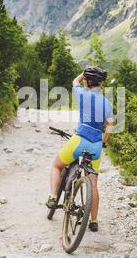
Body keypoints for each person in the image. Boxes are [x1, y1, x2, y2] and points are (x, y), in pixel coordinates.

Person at [46, 66, 114, 232]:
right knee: (93, 183)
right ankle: (94, 221)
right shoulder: (107, 102)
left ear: (87, 81)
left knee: (57, 165)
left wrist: (83, 74)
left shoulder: (83, 94)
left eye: (86, 79)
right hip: (97, 145)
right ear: (100, 84)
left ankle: (54, 198)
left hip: (79, 140)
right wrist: (104, 142)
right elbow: (110, 125)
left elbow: (74, 81)